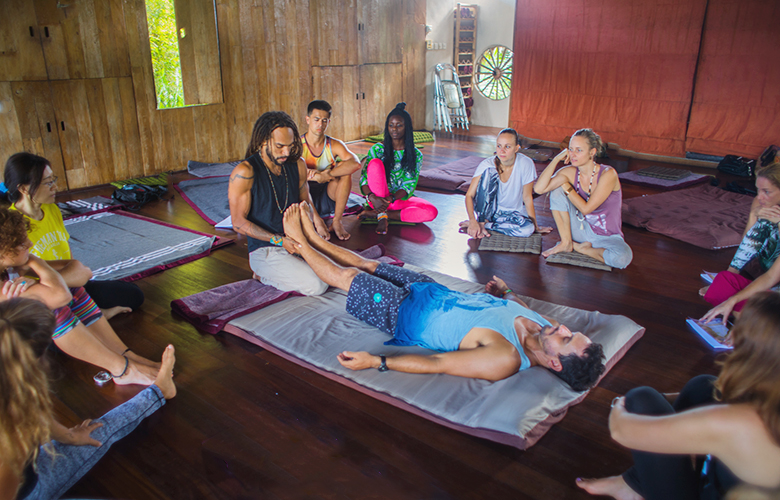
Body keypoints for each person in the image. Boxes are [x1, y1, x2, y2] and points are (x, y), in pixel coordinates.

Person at [281, 201, 605, 390]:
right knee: (370, 265)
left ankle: (300, 244)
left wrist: (376, 361)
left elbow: (438, 363)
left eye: (565, 339)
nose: (562, 328)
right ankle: (316, 239)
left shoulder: (506, 358)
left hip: (403, 315)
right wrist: (506, 292)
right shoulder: (544, 325)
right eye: (570, 331)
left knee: (350, 278)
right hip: (431, 290)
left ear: (554, 363)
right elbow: (517, 306)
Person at [576, 291, 780, 500]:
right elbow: (721, 395)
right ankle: (634, 484)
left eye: (738, 327)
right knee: (703, 386)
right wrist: (666, 398)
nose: (732, 333)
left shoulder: (742, 423)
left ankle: (638, 486)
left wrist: (621, 404)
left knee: (641, 399)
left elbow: (622, 431)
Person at [0, 297, 177, 500]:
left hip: (27, 473)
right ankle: (159, 391)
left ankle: (159, 390)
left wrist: (70, 437)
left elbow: (32, 412)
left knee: (95, 431)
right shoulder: (11, 442)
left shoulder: (14, 394)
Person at [0, 207, 159, 385]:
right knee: (50, 307)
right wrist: (35, 261)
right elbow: (60, 296)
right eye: (22, 243)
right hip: (12, 355)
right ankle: (122, 370)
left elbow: (79, 269)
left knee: (73, 289)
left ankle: (127, 356)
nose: (30, 244)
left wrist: (41, 274)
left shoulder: (8, 267)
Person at [3, 152, 144, 319]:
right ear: (24, 188)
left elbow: (69, 256)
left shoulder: (51, 209)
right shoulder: (11, 225)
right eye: (48, 183)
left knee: (133, 294)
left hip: (69, 280)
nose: (55, 187)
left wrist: (75, 276)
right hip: (43, 292)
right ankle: (94, 314)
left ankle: (89, 312)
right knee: (58, 308)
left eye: (53, 180)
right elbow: (18, 274)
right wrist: (62, 279)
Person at [228, 111, 331, 296]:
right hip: (267, 248)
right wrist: (280, 241)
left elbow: (305, 200)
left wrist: (316, 223)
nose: (286, 152)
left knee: (334, 273)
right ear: (263, 141)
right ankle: (262, 275)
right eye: (279, 146)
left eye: (290, 146)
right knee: (317, 285)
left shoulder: (297, 164)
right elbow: (238, 223)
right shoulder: (244, 172)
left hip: (297, 239)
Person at [534, 129, 633, 269]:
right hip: (580, 229)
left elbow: (586, 209)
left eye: (579, 150)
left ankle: (581, 248)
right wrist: (556, 159)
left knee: (622, 258)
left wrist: (566, 186)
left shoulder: (608, 174)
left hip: (607, 236)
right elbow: (539, 189)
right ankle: (566, 242)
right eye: (571, 149)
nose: (573, 154)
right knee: (556, 190)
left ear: (592, 152)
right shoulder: (569, 172)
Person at [701, 163, 780, 326]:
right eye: (758, 190)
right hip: (768, 282)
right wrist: (754, 215)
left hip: (774, 284)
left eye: (767, 191)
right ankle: (753, 322)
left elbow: (772, 277)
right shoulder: (760, 204)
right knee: (723, 280)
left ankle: (749, 323)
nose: (760, 197)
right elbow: (747, 245)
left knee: (732, 297)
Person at [359, 103, 438, 235]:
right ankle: (381, 216)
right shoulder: (377, 149)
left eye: (399, 125)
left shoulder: (416, 154)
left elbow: (409, 184)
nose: (394, 129)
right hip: (376, 200)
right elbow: (364, 179)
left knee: (431, 211)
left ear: (407, 127)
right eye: (391, 125)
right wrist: (372, 197)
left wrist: (391, 199)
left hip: (396, 200)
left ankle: (381, 215)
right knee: (375, 164)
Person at [463, 128, 552, 239]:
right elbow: (469, 195)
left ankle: (487, 226)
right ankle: (481, 221)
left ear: (516, 148)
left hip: (511, 214)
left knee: (528, 229)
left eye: (507, 147)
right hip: (487, 212)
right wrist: (472, 220)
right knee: (489, 171)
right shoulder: (486, 165)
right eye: (499, 146)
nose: (502, 151)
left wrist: (536, 227)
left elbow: (527, 197)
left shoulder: (526, 163)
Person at [301, 100, 362, 240]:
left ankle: (337, 221)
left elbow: (355, 164)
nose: (320, 124)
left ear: (328, 122)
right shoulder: (298, 145)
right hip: (305, 198)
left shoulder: (333, 144)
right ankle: (316, 220)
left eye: (324, 121)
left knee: (345, 172)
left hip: (327, 197)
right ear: (308, 120)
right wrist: (314, 176)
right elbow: (289, 174)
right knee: (298, 181)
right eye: (316, 119)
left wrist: (327, 174)